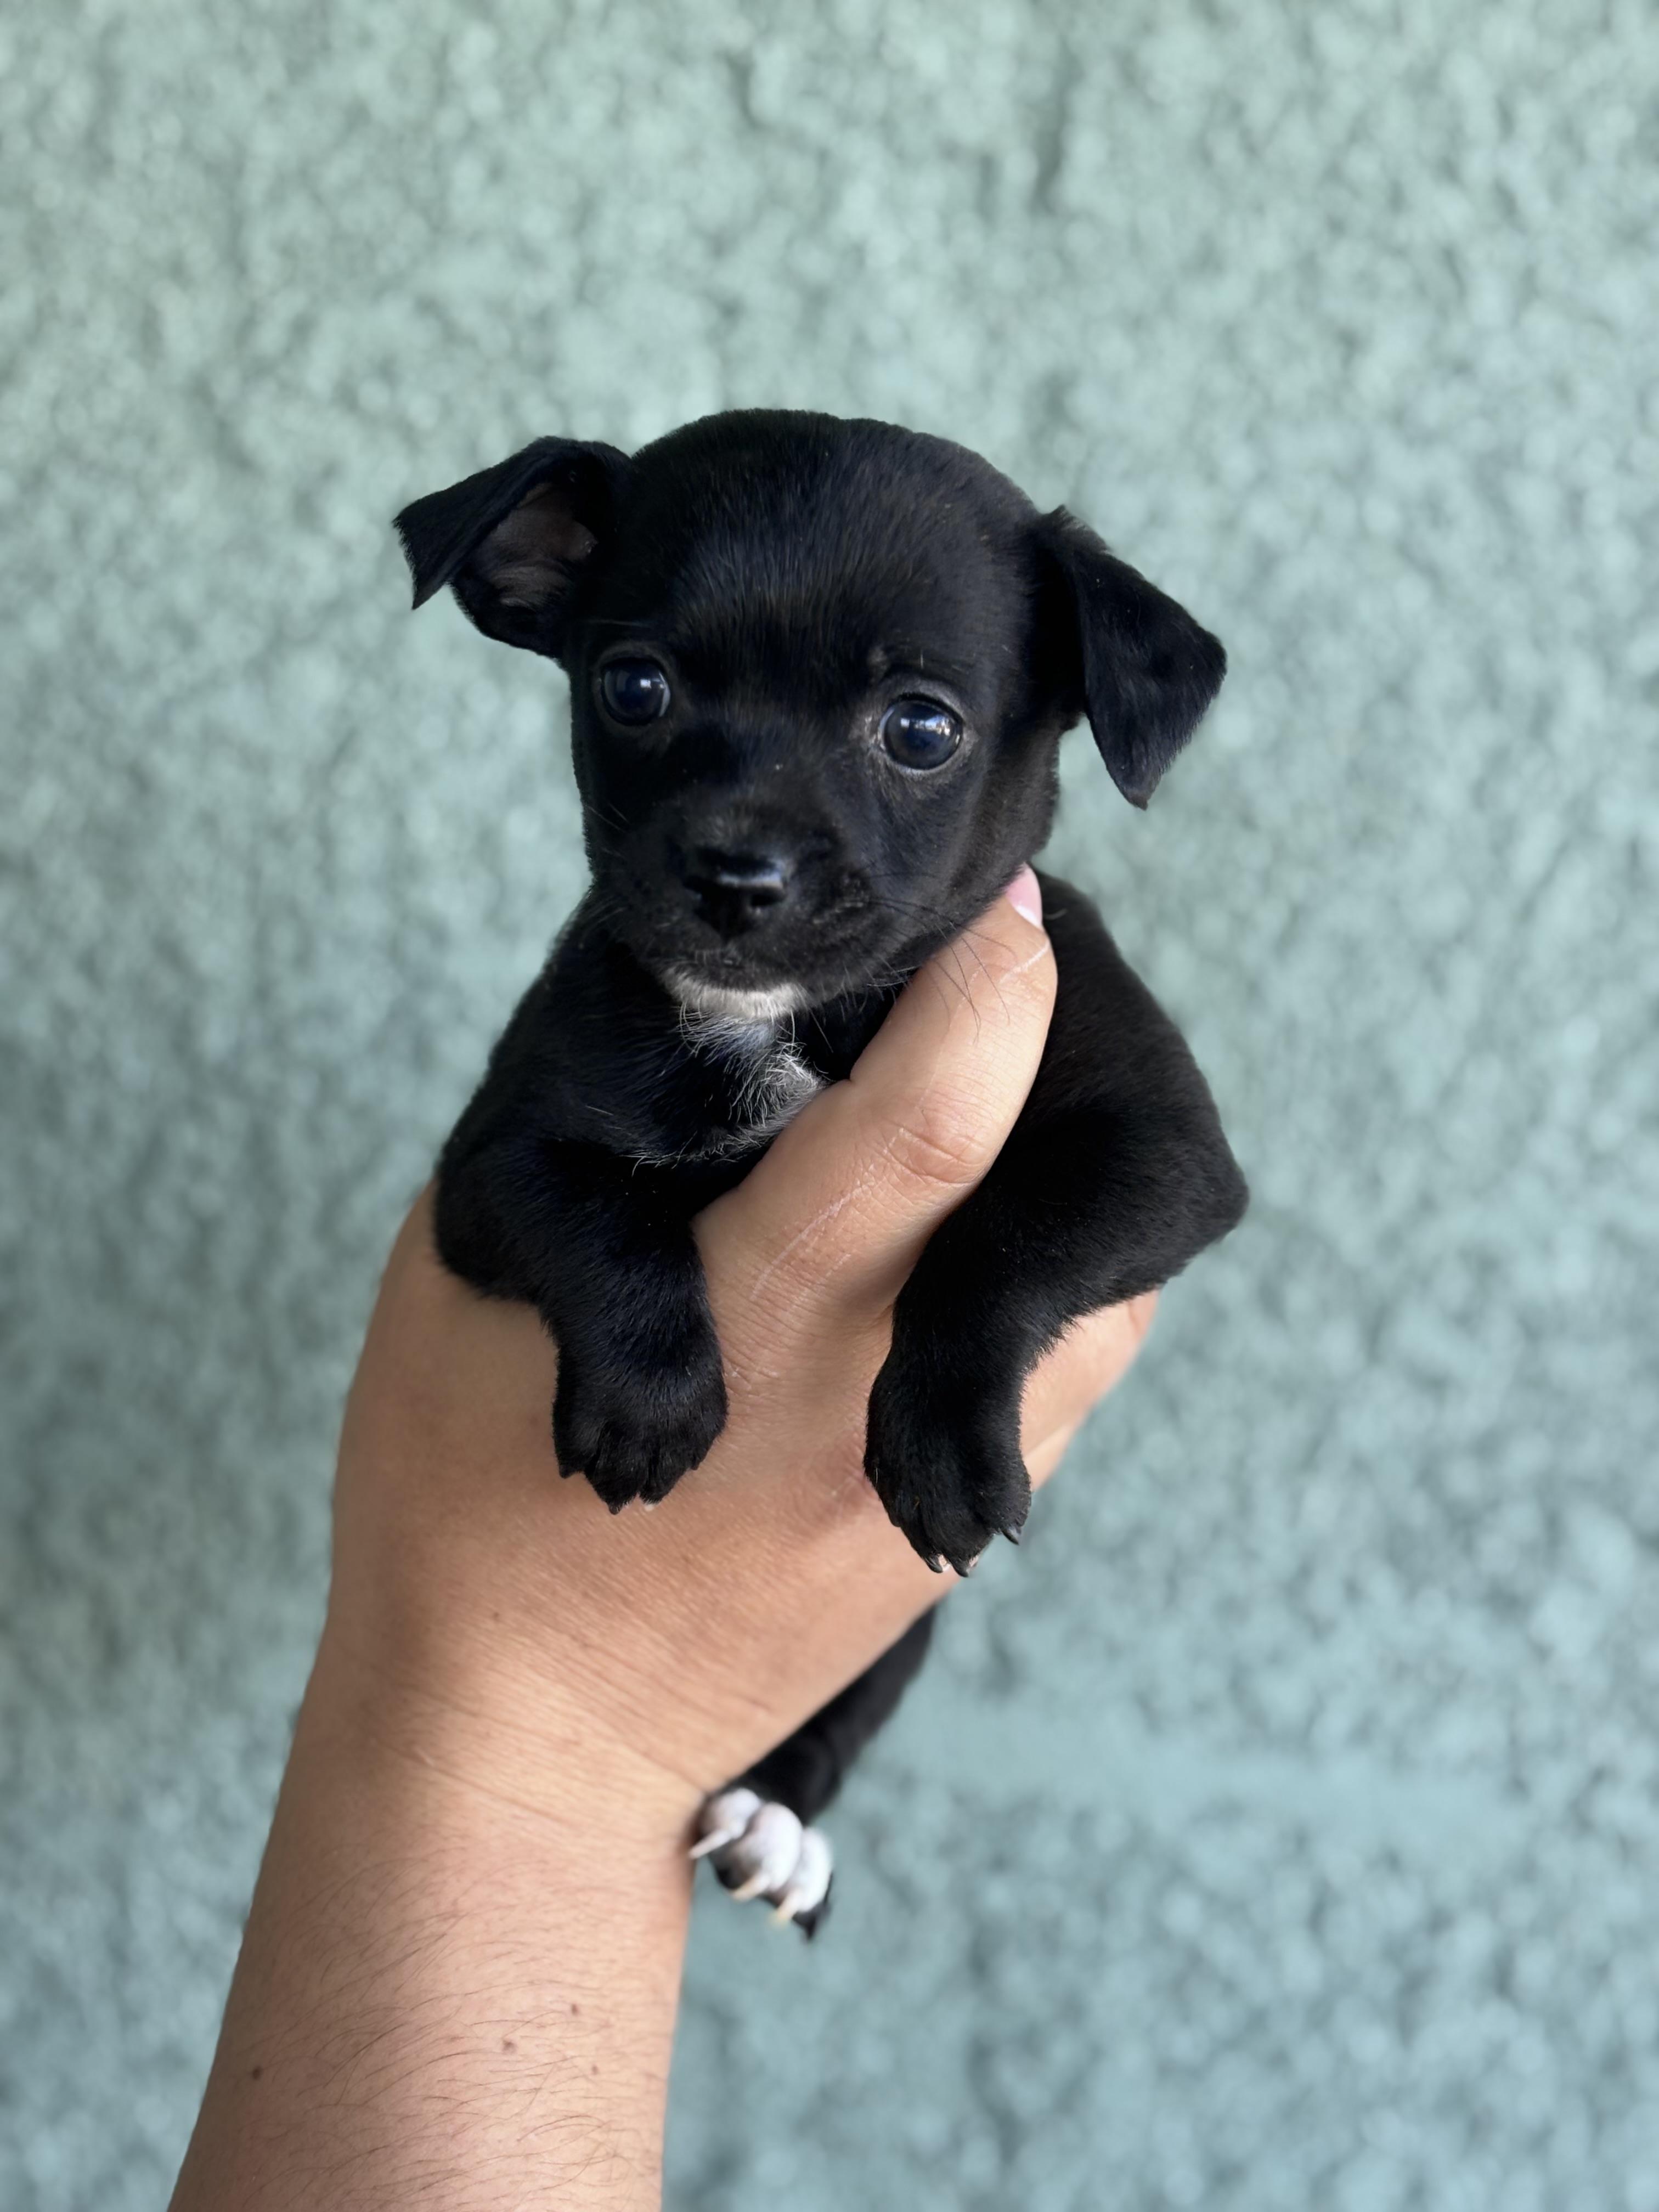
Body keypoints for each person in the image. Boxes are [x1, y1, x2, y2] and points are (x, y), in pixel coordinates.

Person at [169, 874, 1155, 2210]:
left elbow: (1174, 1176)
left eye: (916, 726)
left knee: (889, 1566)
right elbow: (501, 1184)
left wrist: (963, 1341)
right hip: (512, 1559)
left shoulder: (1042, 978)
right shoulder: (621, 985)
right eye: (645, 689)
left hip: (803, 1551)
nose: (756, 836)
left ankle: (797, 1774)